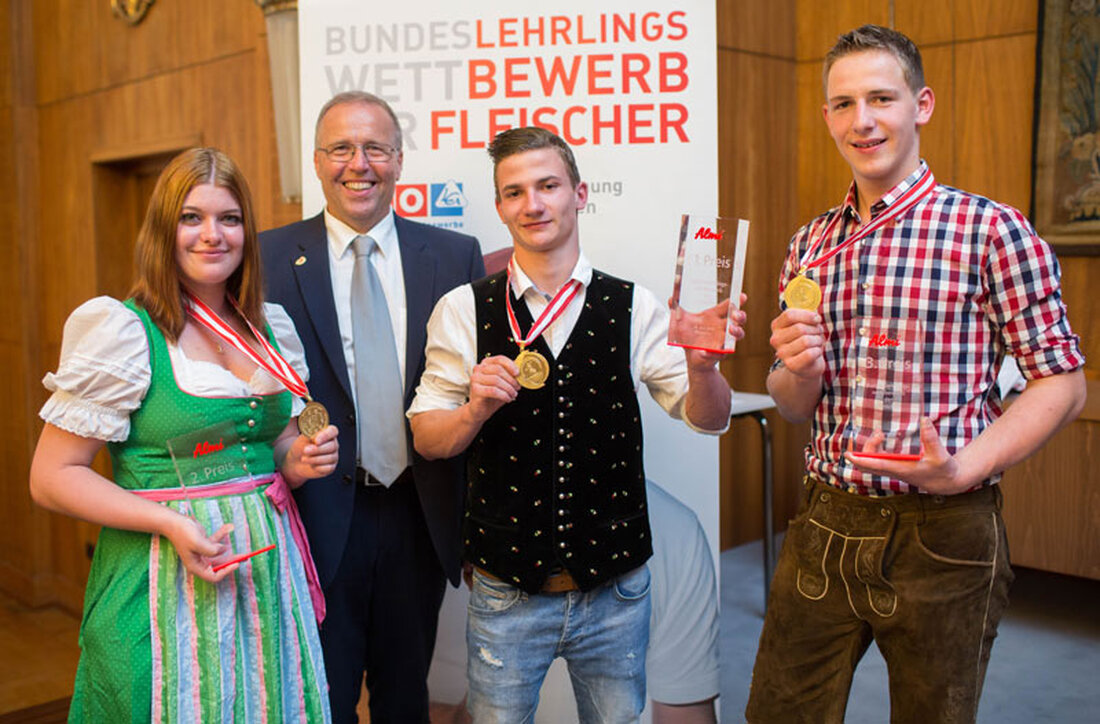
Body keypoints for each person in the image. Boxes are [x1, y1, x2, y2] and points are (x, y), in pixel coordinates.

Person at [746, 25, 1086, 724]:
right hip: (823, 522)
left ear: (920, 105)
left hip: (945, 533)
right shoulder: (808, 244)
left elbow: (1063, 381)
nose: (862, 120)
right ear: (827, 117)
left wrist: (964, 468)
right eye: (843, 104)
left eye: (881, 98)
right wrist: (797, 368)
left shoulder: (990, 231)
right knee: (780, 714)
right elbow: (790, 400)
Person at [407, 126, 737, 723]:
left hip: (616, 590)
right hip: (505, 593)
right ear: (502, 206)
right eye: (514, 192)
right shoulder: (460, 309)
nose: (532, 204)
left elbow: (707, 420)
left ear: (579, 194)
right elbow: (428, 441)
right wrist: (475, 409)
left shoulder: (637, 305)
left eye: (548, 185)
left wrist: (703, 369)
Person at [29, 147, 337, 722]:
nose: (211, 235)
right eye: (191, 218)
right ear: (163, 230)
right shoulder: (124, 331)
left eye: (230, 218)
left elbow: (273, 449)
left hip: (265, 578)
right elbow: (50, 479)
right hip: (160, 576)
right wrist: (170, 521)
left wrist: (299, 459)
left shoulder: (270, 327)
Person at [260, 91, 485, 723]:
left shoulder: (452, 256)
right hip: (316, 514)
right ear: (317, 161)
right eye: (341, 148)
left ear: (398, 160)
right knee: (320, 698)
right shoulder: (267, 256)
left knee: (406, 697)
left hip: (421, 511)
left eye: (375, 148)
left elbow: (465, 391)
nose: (358, 164)